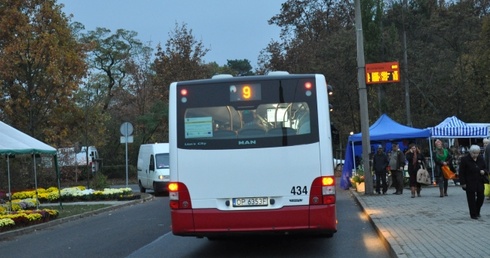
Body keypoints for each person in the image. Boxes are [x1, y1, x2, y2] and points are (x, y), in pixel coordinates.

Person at [459, 145, 488, 219]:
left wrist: (484, 171)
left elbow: (486, 168)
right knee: (471, 199)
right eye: (474, 153)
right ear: (470, 152)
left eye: (477, 153)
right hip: (469, 181)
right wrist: (463, 183)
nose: (475, 155)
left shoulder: (481, 159)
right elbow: (461, 172)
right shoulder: (465, 159)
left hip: (479, 180)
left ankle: (477, 211)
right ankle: (473, 214)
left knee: (481, 197)